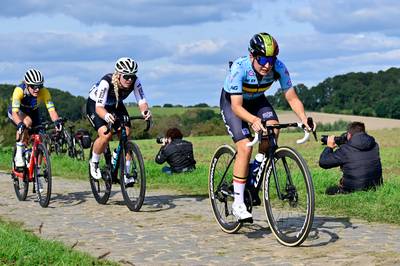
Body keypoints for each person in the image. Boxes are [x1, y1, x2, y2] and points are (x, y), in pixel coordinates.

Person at [220, 33, 312, 222]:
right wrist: (253, 120)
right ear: (252, 56)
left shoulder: (279, 68)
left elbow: (292, 97)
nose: (267, 65)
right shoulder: (239, 69)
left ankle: (256, 166)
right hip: (233, 103)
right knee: (245, 147)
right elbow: (237, 107)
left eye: (271, 59)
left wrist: (303, 118)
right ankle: (238, 202)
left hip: (257, 100)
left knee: (273, 129)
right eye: (262, 59)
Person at [87, 57, 152, 182]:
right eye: (126, 76)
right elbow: (99, 108)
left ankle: (125, 172)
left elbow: (142, 101)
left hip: (116, 104)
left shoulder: (135, 82)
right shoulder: (106, 82)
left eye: (132, 76)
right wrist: (106, 116)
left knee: (126, 133)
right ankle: (94, 162)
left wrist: (145, 112)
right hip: (96, 105)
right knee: (105, 135)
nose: (129, 79)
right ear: (118, 75)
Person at [8, 69, 63, 168]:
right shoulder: (19, 90)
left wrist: (57, 122)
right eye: (34, 86)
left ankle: (36, 170)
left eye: (40, 86)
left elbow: (51, 110)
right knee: (27, 122)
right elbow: (15, 113)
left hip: (33, 112)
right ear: (27, 85)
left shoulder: (44, 92)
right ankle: (19, 153)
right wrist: (20, 124)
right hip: (17, 111)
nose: (37, 89)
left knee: (41, 139)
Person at [319, 121, 383, 195]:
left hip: (352, 190)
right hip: (375, 187)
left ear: (349, 134)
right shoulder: (374, 145)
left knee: (329, 190)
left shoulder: (346, 149)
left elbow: (323, 162)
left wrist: (329, 147)